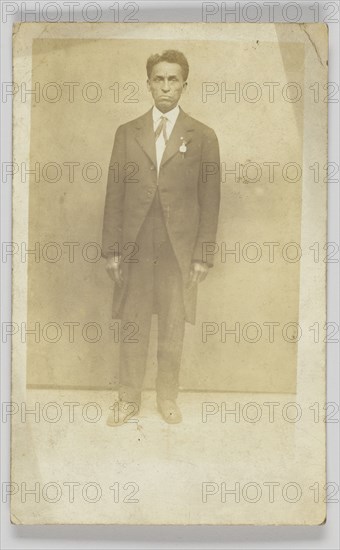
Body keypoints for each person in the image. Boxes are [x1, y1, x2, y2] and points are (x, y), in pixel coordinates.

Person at [102, 50, 220, 425]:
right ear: (148, 83)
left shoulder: (202, 136)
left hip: (178, 248)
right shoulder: (127, 133)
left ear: (185, 84)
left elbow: (210, 200)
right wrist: (112, 251)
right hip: (135, 245)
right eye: (159, 79)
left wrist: (202, 254)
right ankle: (127, 398)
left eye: (173, 80)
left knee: (172, 322)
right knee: (133, 323)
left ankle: (168, 397)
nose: (166, 86)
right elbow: (114, 194)